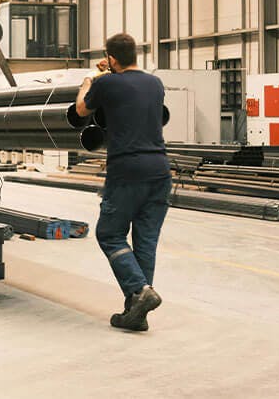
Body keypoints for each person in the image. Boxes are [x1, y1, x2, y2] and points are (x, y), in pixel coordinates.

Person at [75, 32, 171, 332]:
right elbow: (131, 96)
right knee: (146, 242)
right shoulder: (155, 83)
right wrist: (111, 72)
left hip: (127, 169)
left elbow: (81, 110)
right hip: (160, 171)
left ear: (111, 58)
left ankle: (140, 291)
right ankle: (136, 313)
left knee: (109, 233)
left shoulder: (105, 84)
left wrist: (89, 80)